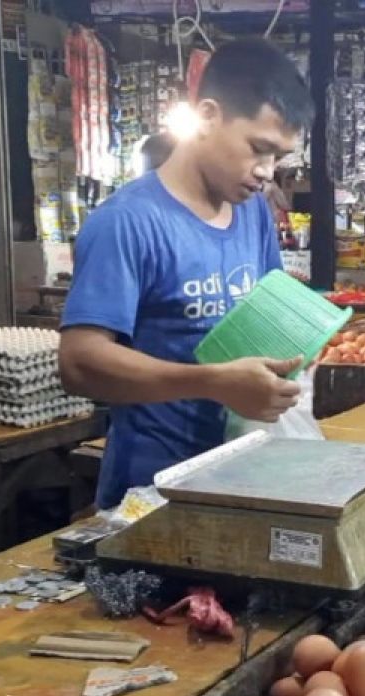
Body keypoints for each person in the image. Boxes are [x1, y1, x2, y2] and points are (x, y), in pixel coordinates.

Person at [59, 39, 315, 511]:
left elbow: (268, 315)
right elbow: (79, 362)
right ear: (209, 116)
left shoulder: (252, 213)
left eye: (279, 157)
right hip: (153, 493)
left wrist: (298, 353)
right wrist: (212, 381)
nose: (266, 172)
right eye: (258, 149)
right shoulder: (126, 222)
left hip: (241, 476)